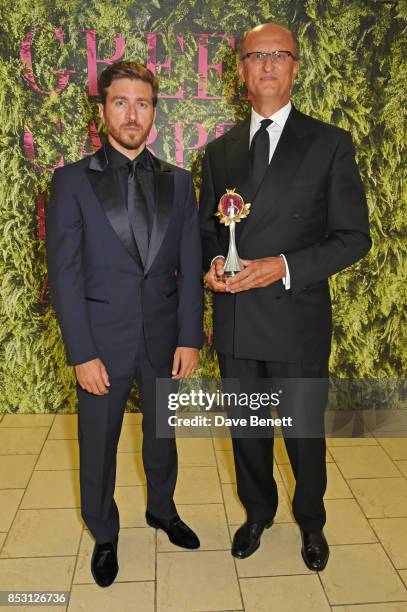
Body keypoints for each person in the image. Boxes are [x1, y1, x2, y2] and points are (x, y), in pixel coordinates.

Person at [199, 23, 371, 570]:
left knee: (302, 435)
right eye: (256, 56)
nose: (268, 64)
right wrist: (210, 266)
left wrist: (283, 267)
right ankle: (257, 512)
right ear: (241, 71)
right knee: (247, 431)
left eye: (280, 54)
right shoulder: (220, 151)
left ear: (296, 67)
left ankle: (312, 521)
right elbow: (210, 231)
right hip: (236, 318)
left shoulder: (329, 143)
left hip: (295, 317)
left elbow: (353, 238)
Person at [46, 61, 203, 587]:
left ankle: (162, 509)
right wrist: (81, 352)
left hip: (163, 339)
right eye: (120, 102)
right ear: (102, 111)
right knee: (98, 442)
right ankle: (105, 532)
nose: (131, 113)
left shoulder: (180, 183)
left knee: (163, 435)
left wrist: (189, 338)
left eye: (142, 103)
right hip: (100, 344)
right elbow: (64, 274)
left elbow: (188, 266)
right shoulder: (70, 182)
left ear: (155, 112)